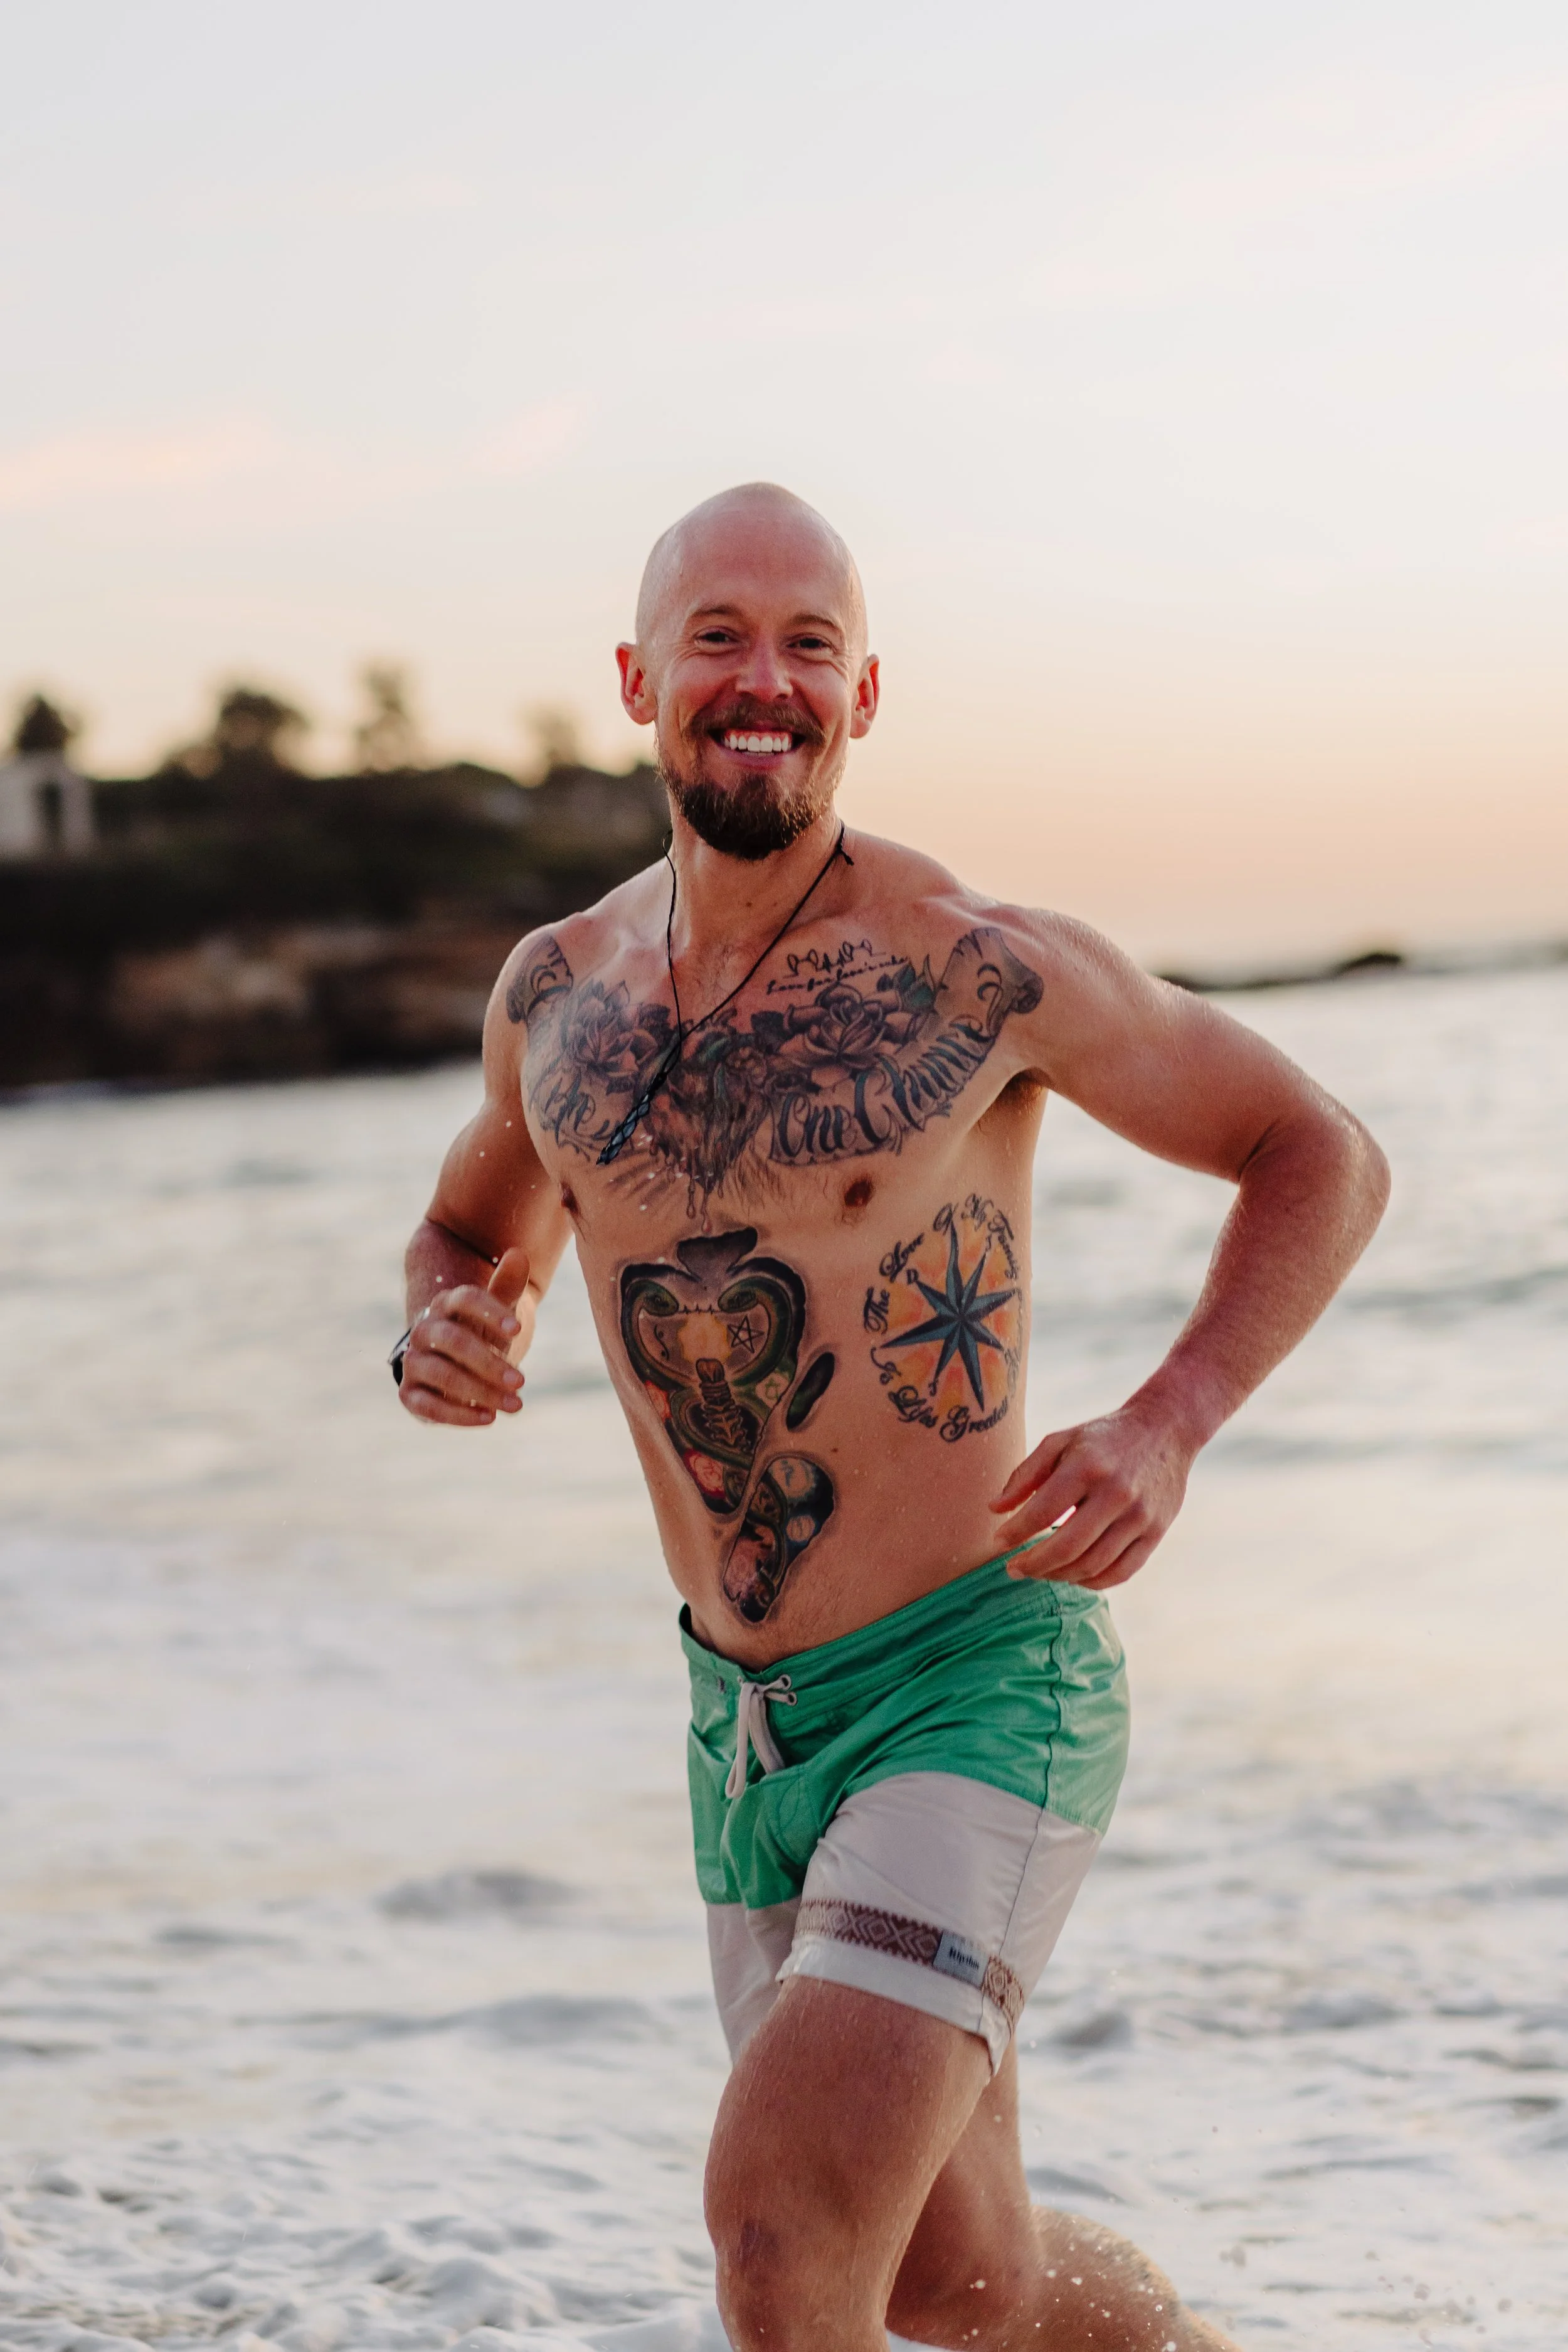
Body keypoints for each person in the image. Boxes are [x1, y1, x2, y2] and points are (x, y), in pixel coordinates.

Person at [394, 482, 1389, 2352]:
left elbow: (1313, 1148)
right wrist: (447, 1321)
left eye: (808, 645)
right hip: (744, 1726)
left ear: (864, 696)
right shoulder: (554, 997)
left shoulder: (977, 961)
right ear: (636, 677)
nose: (761, 681)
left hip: (976, 1681)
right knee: (953, 2279)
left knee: (778, 2234)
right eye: (717, 637)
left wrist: (1169, 1419)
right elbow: (469, 1224)